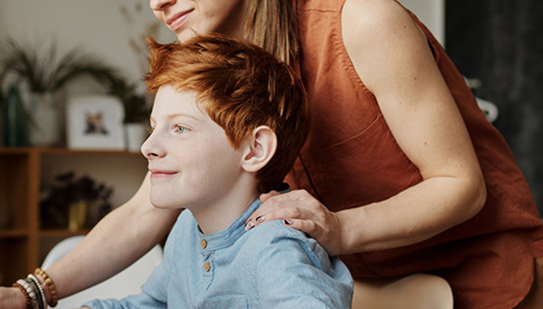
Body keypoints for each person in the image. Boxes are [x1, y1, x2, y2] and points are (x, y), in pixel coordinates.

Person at [0, 0, 543, 308]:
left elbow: (462, 185)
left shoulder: (361, 21)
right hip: (370, 287)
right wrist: (31, 294)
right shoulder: (231, 72)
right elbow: (144, 211)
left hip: (487, 280)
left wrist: (341, 227)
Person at [87, 35, 352, 309]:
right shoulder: (187, 227)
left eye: (180, 128)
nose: (148, 147)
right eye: (154, 128)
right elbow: (155, 304)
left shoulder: (275, 248)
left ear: (255, 150)